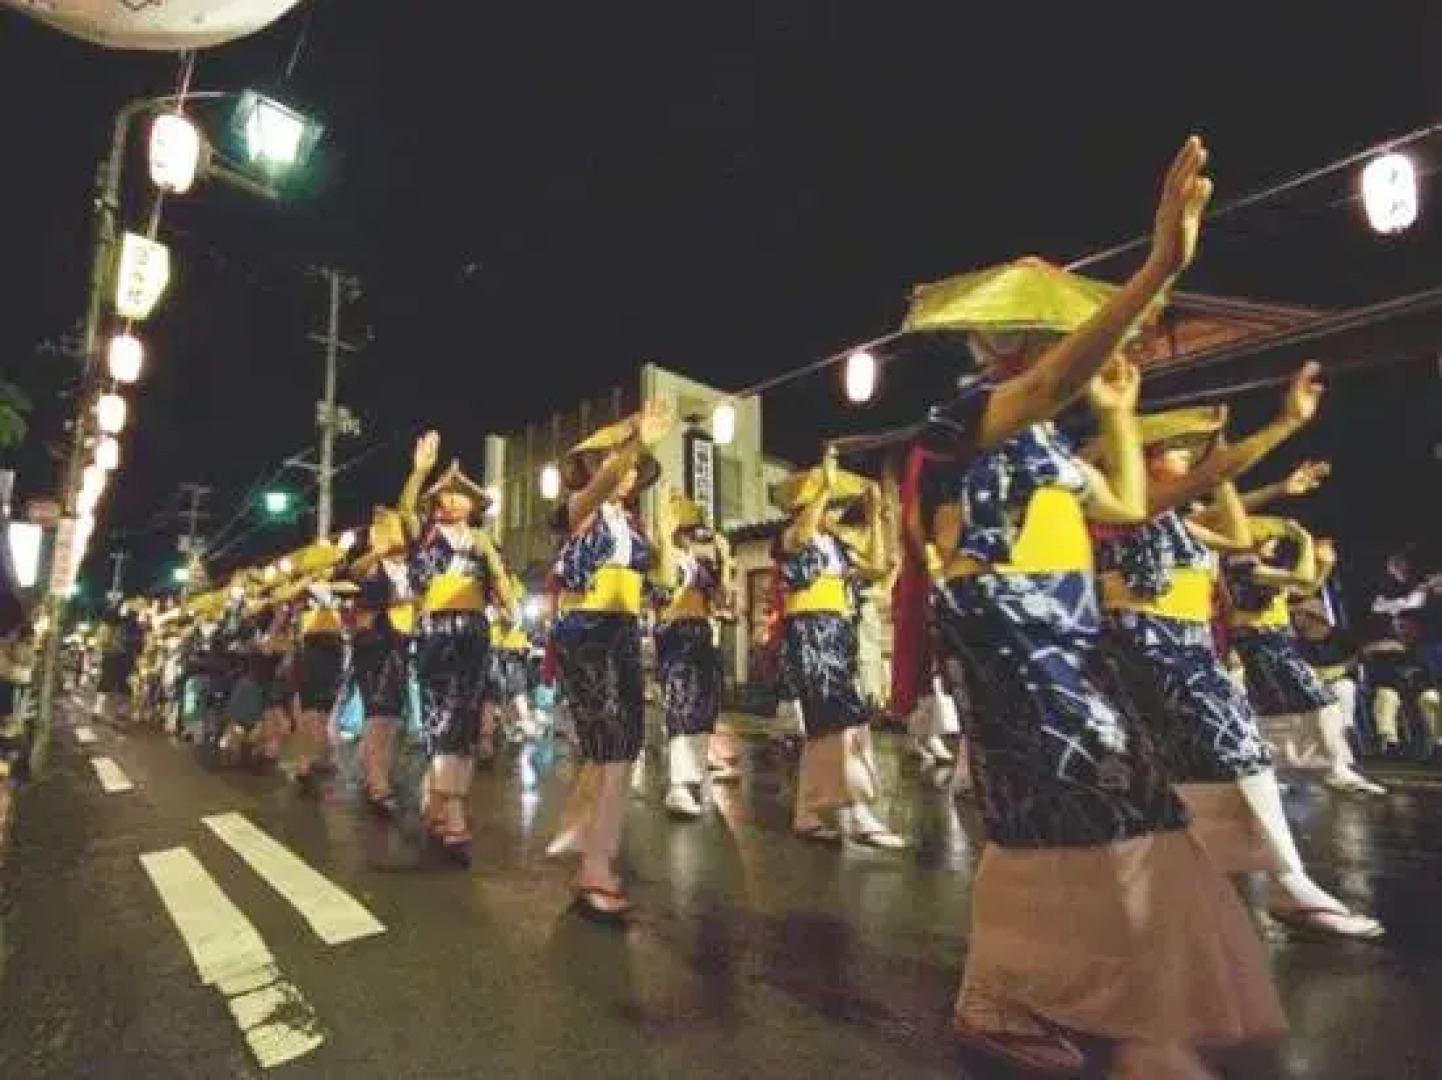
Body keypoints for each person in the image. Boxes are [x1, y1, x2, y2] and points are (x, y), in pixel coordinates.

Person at [903, 138, 1284, 1079]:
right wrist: (1158, 267)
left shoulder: (1043, 444)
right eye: (1025, 336)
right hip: (1013, 655)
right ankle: (1085, 1013)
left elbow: (1128, 505)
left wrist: (1119, 415)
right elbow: (1043, 386)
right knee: (1082, 814)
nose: (1039, 348)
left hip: (1070, 653)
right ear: (991, 345)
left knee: (1094, 816)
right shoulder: (964, 418)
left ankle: (1057, 1002)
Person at [547, 399, 670, 920]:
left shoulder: (632, 523)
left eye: (635, 467)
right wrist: (635, 439)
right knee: (611, 743)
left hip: (622, 631)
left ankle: (592, 848)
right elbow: (607, 479)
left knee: (622, 744)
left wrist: (662, 524)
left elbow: (658, 576)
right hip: (585, 631)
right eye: (618, 462)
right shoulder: (581, 506)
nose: (629, 472)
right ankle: (595, 864)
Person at [399, 433, 520, 865]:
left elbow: (502, 585)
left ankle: (443, 800)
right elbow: (405, 514)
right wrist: (419, 472)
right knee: (442, 714)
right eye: (444, 494)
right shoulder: (426, 536)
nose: (451, 500)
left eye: (460, 496)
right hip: (436, 630)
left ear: (474, 505)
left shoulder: (484, 543)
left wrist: (508, 604)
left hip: (472, 632)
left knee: (464, 717)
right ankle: (450, 807)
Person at [774, 450, 904, 849]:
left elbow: (880, 564)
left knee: (830, 723)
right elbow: (803, 532)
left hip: (836, 629)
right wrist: (825, 488)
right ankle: (860, 811)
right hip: (810, 632)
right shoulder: (790, 537)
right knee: (841, 719)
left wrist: (879, 513)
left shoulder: (837, 544)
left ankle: (808, 811)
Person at [651, 487, 737, 820]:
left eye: (692, 530)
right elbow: (665, 586)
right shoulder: (665, 556)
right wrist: (666, 515)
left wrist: (726, 561)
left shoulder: (700, 563)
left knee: (704, 707)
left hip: (701, 633)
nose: (690, 535)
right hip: (675, 633)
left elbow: (721, 600)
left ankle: (695, 774)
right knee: (681, 704)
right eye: (686, 529)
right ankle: (677, 784)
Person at [1361, 547, 1441, 755]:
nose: (1401, 628)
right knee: (1386, 696)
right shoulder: (1387, 644)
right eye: (1398, 625)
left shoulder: (1425, 644)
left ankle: (1439, 743)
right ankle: (1390, 743)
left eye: (1398, 566)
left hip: (1424, 686)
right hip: (1395, 685)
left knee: (1430, 698)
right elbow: (1378, 608)